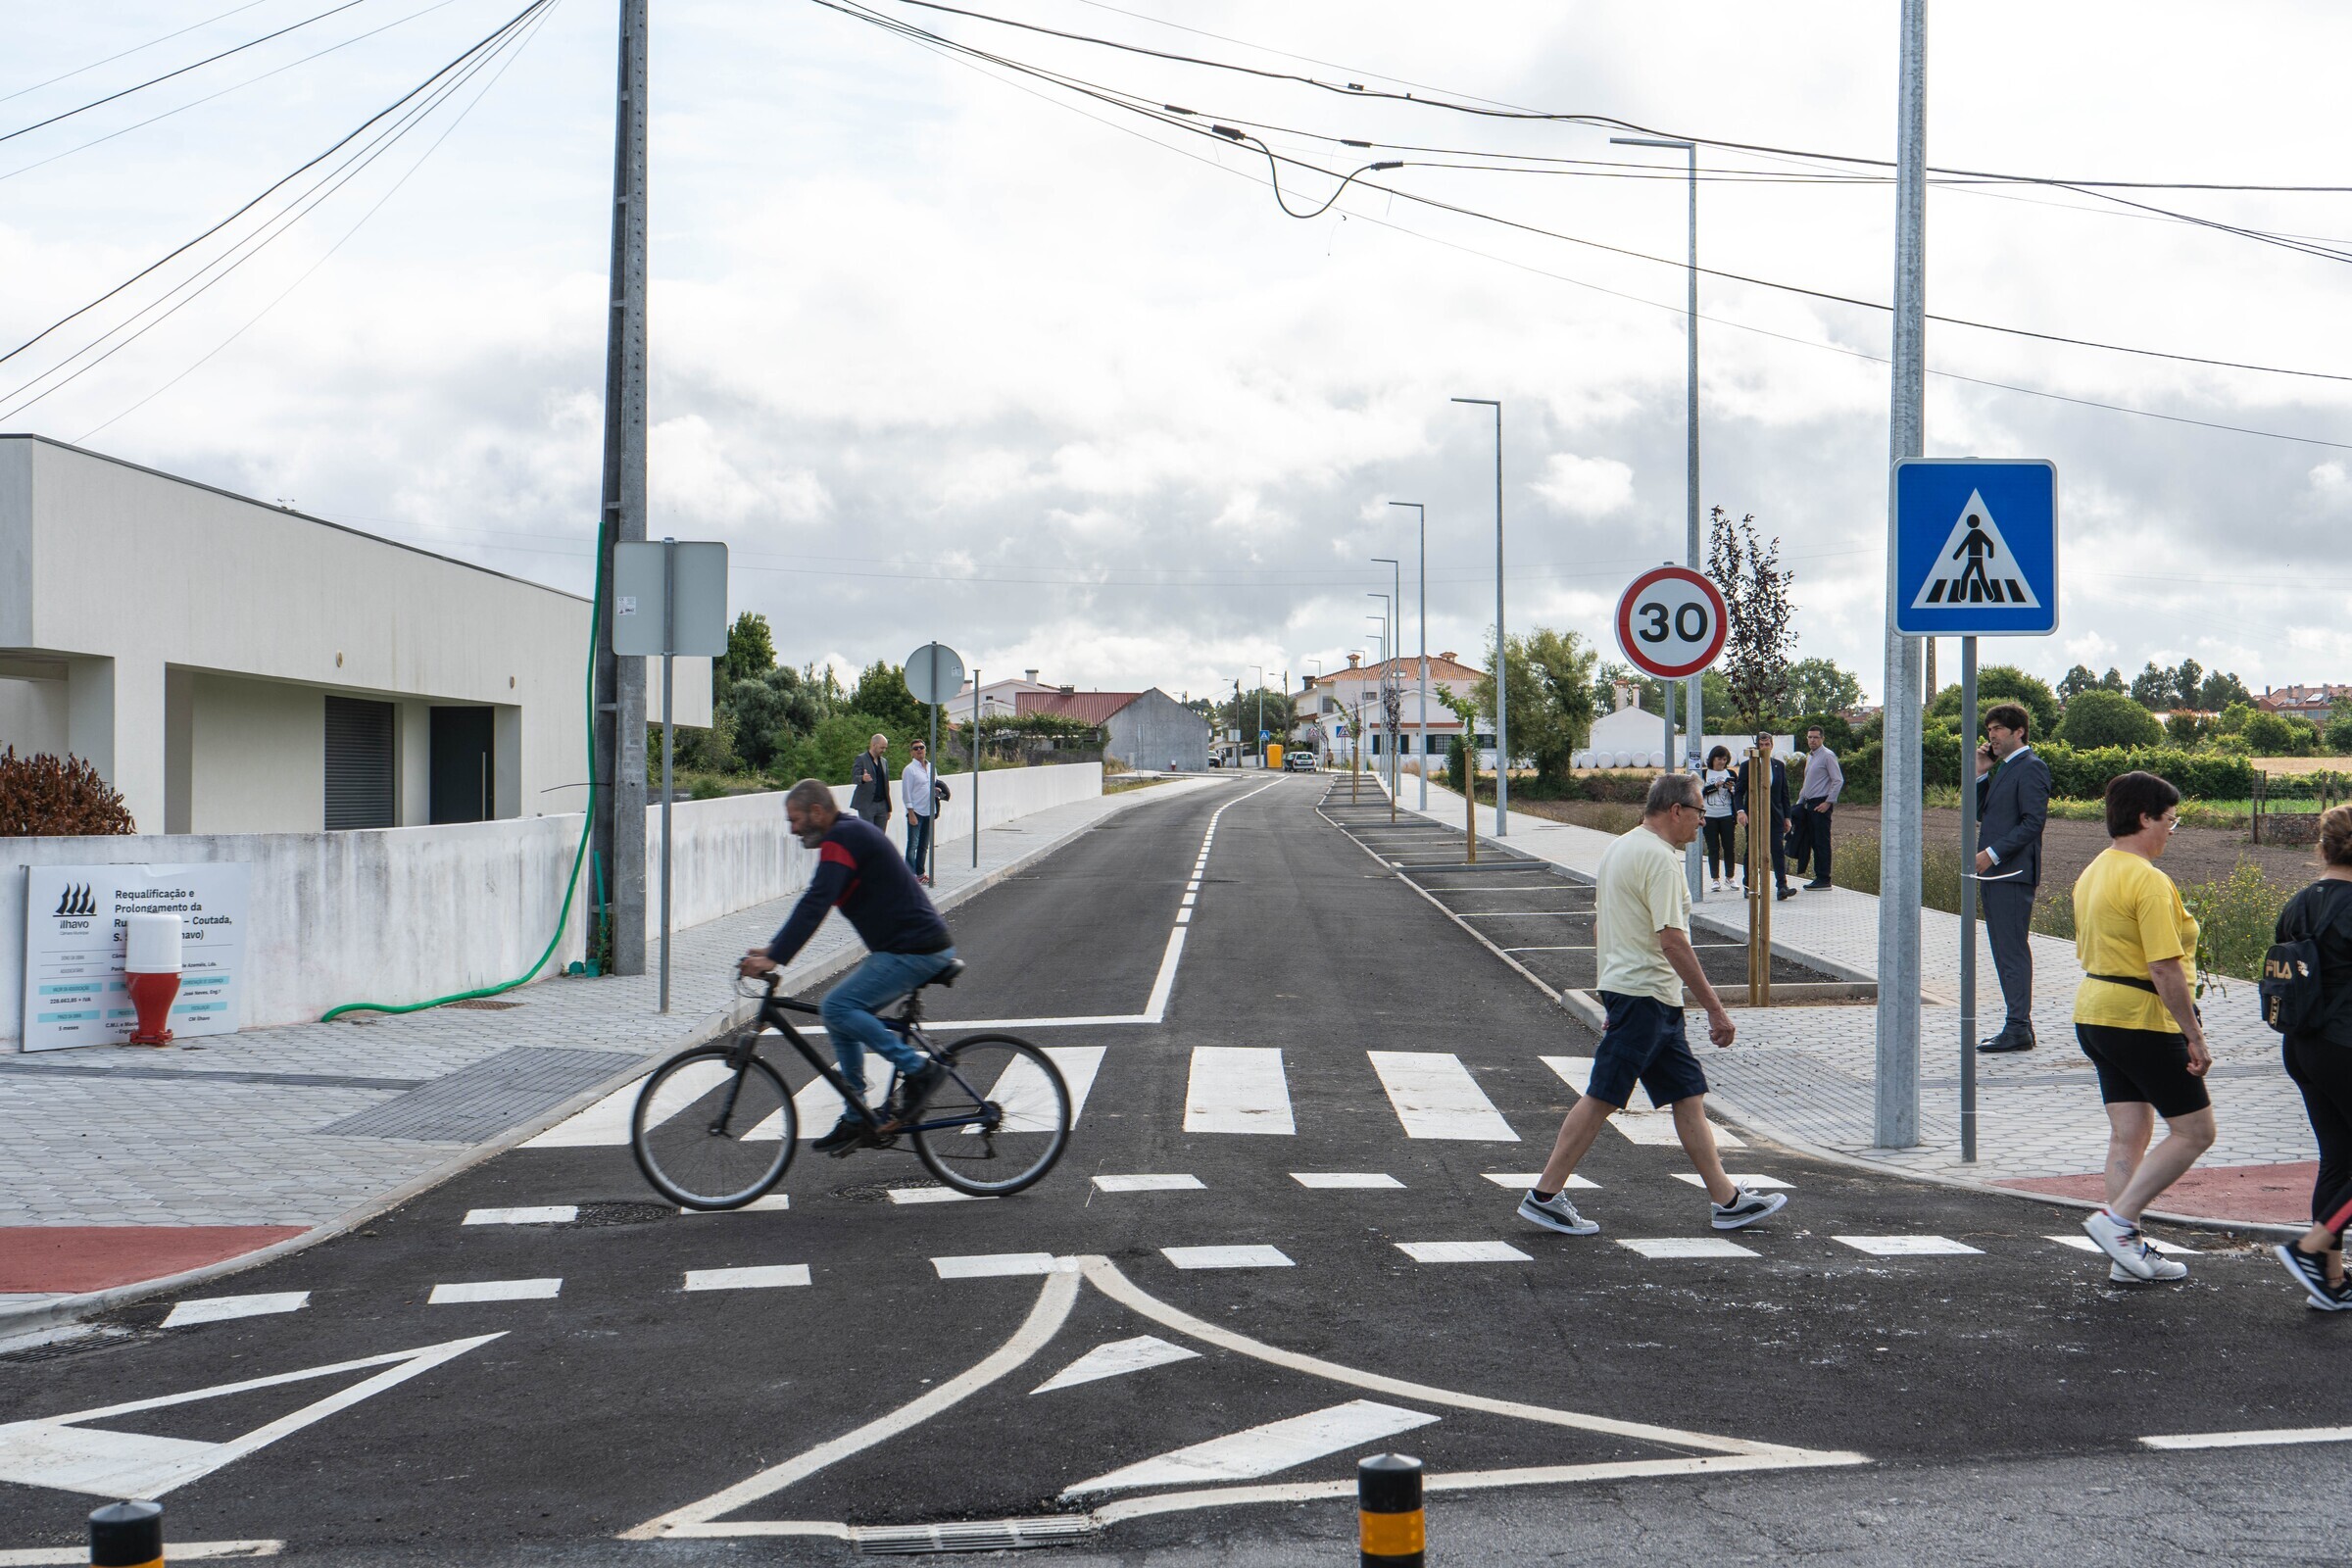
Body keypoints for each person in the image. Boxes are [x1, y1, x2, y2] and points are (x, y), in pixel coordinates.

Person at [1516, 772, 1789, 1238]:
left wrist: (1611, 982)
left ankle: (1726, 1200)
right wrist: (1715, 1008)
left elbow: (1602, 926)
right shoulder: (1661, 860)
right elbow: (1673, 941)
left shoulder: (1620, 848)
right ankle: (1544, 1195)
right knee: (1603, 1095)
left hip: (1646, 996)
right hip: (1643, 997)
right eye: (1699, 811)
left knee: (1688, 1095)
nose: (1703, 821)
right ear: (1676, 810)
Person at [739, 778, 956, 1153]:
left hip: (915, 949)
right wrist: (773, 948)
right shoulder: (845, 836)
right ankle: (857, 1114)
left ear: (817, 811)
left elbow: (816, 902)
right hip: (905, 948)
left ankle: (920, 1070)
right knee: (839, 1015)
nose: (792, 829)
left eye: (795, 820)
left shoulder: (843, 839)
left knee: (837, 1007)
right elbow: (814, 902)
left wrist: (775, 957)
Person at [2072, 770, 2214, 1285]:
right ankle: (2117, 1222)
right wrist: (2193, 1034)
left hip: (2095, 1013)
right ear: (2144, 818)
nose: (2171, 831)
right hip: (2141, 1018)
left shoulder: (2094, 871)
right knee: (2196, 1131)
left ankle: (2125, 1256)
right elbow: (2163, 967)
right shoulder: (2149, 880)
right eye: (2169, 820)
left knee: (2128, 1135)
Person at [2271, 805, 2352, 1310]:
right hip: (2346, 1046)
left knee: (2339, 1160)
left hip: (2301, 1045)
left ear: (2322, 847)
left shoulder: (2299, 902)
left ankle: (2331, 1282)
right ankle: (2310, 1248)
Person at [1975, 703, 2051, 1054]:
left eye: (1998, 729)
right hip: (1997, 875)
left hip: (2013, 872)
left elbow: (2033, 822)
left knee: (2011, 951)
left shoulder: (2032, 767)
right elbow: (1984, 813)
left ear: (2019, 731)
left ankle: (2018, 1026)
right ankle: (2018, 1025)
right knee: (2003, 950)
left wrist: (1991, 854)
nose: (1992, 736)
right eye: (1990, 730)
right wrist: (1981, 773)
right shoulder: (2006, 768)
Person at [1732, 731, 1795, 902]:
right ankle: (1749, 885)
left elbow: (1784, 793)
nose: (1765, 748)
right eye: (1761, 745)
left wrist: (1787, 817)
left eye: (1767, 745)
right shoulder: (1748, 765)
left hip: (1775, 815)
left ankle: (1782, 886)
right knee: (1753, 849)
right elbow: (1739, 792)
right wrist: (1740, 811)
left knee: (1777, 849)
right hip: (1754, 814)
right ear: (1757, 747)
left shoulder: (1778, 766)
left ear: (1772, 746)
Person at [1788, 724, 1842, 890]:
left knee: (1821, 841)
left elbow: (1838, 780)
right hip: (1808, 803)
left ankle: (1824, 878)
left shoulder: (1827, 756)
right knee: (1809, 840)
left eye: (1816, 737)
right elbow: (1808, 782)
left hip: (1821, 804)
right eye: (1810, 737)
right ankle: (1817, 876)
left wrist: (1828, 802)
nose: (1812, 740)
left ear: (1822, 738)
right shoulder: (1810, 757)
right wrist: (1799, 803)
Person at [900, 740, 950, 885]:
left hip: (929, 811)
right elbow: (906, 793)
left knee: (923, 846)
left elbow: (933, 784)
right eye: (916, 748)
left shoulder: (931, 767)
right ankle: (909, 876)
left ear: (925, 749)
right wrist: (911, 813)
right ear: (912, 752)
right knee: (912, 845)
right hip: (916, 812)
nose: (919, 750)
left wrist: (937, 790)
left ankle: (920, 874)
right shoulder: (909, 770)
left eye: (921, 747)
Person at [1698, 745, 1738, 893]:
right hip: (1709, 815)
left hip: (1727, 814)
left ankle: (1730, 877)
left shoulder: (1731, 773)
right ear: (1712, 759)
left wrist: (1731, 789)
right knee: (1713, 848)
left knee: (1729, 846)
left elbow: (1738, 793)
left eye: (1724, 759)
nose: (1721, 762)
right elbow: (1699, 792)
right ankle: (1715, 879)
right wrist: (1715, 786)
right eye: (1718, 759)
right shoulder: (1704, 773)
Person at [850, 734, 892, 828]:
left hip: (882, 805)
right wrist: (862, 778)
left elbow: (886, 785)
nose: (884, 750)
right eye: (882, 747)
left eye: (885, 748)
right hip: (867, 804)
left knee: (880, 835)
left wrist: (888, 808)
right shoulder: (861, 759)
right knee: (867, 833)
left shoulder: (884, 761)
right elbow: (854, 778)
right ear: (873, 745)